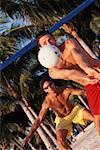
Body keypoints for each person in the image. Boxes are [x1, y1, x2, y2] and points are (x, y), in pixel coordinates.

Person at [36, 26, 100, 136]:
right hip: (90, 85)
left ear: (54, 39)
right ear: (41, 49)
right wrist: (86, 77)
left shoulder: (68, 44)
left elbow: (78, 56)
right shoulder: (53, 71)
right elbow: (70, 73)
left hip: (97, 71)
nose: (49, 43)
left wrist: (87, 69)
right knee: (98, 121)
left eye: (50, 39)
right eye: (45, 43)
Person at [22, 79, 94, 150]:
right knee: (60, 142)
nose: (50, 88)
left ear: (53, 83)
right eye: (46, 88)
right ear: (45, 91)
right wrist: (30, 134)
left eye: (50, 84)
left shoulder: (65, 90)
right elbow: (39, 119)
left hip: (74, 111)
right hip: (62, 119)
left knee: (96, 119)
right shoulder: (47, 102)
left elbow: (83, 92)